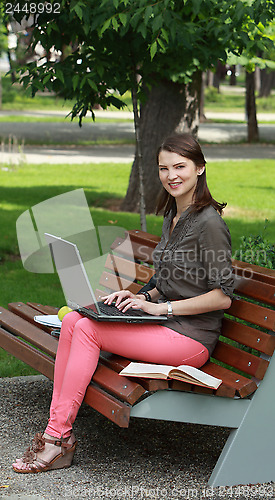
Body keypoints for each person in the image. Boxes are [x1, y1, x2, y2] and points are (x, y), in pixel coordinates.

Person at [13, 133, 234, 473]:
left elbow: (222, 296)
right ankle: (57, 436)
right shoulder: (174, 216)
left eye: (180, 167)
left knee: (86, 330)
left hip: (191, 339)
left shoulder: (209, 224)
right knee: (74, 320)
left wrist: (162, 309)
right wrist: (142, 296)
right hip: (166, 326)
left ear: (200, 169)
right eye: (164, 168)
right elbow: (171, 280)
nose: (171, 175)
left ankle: (58, 439)